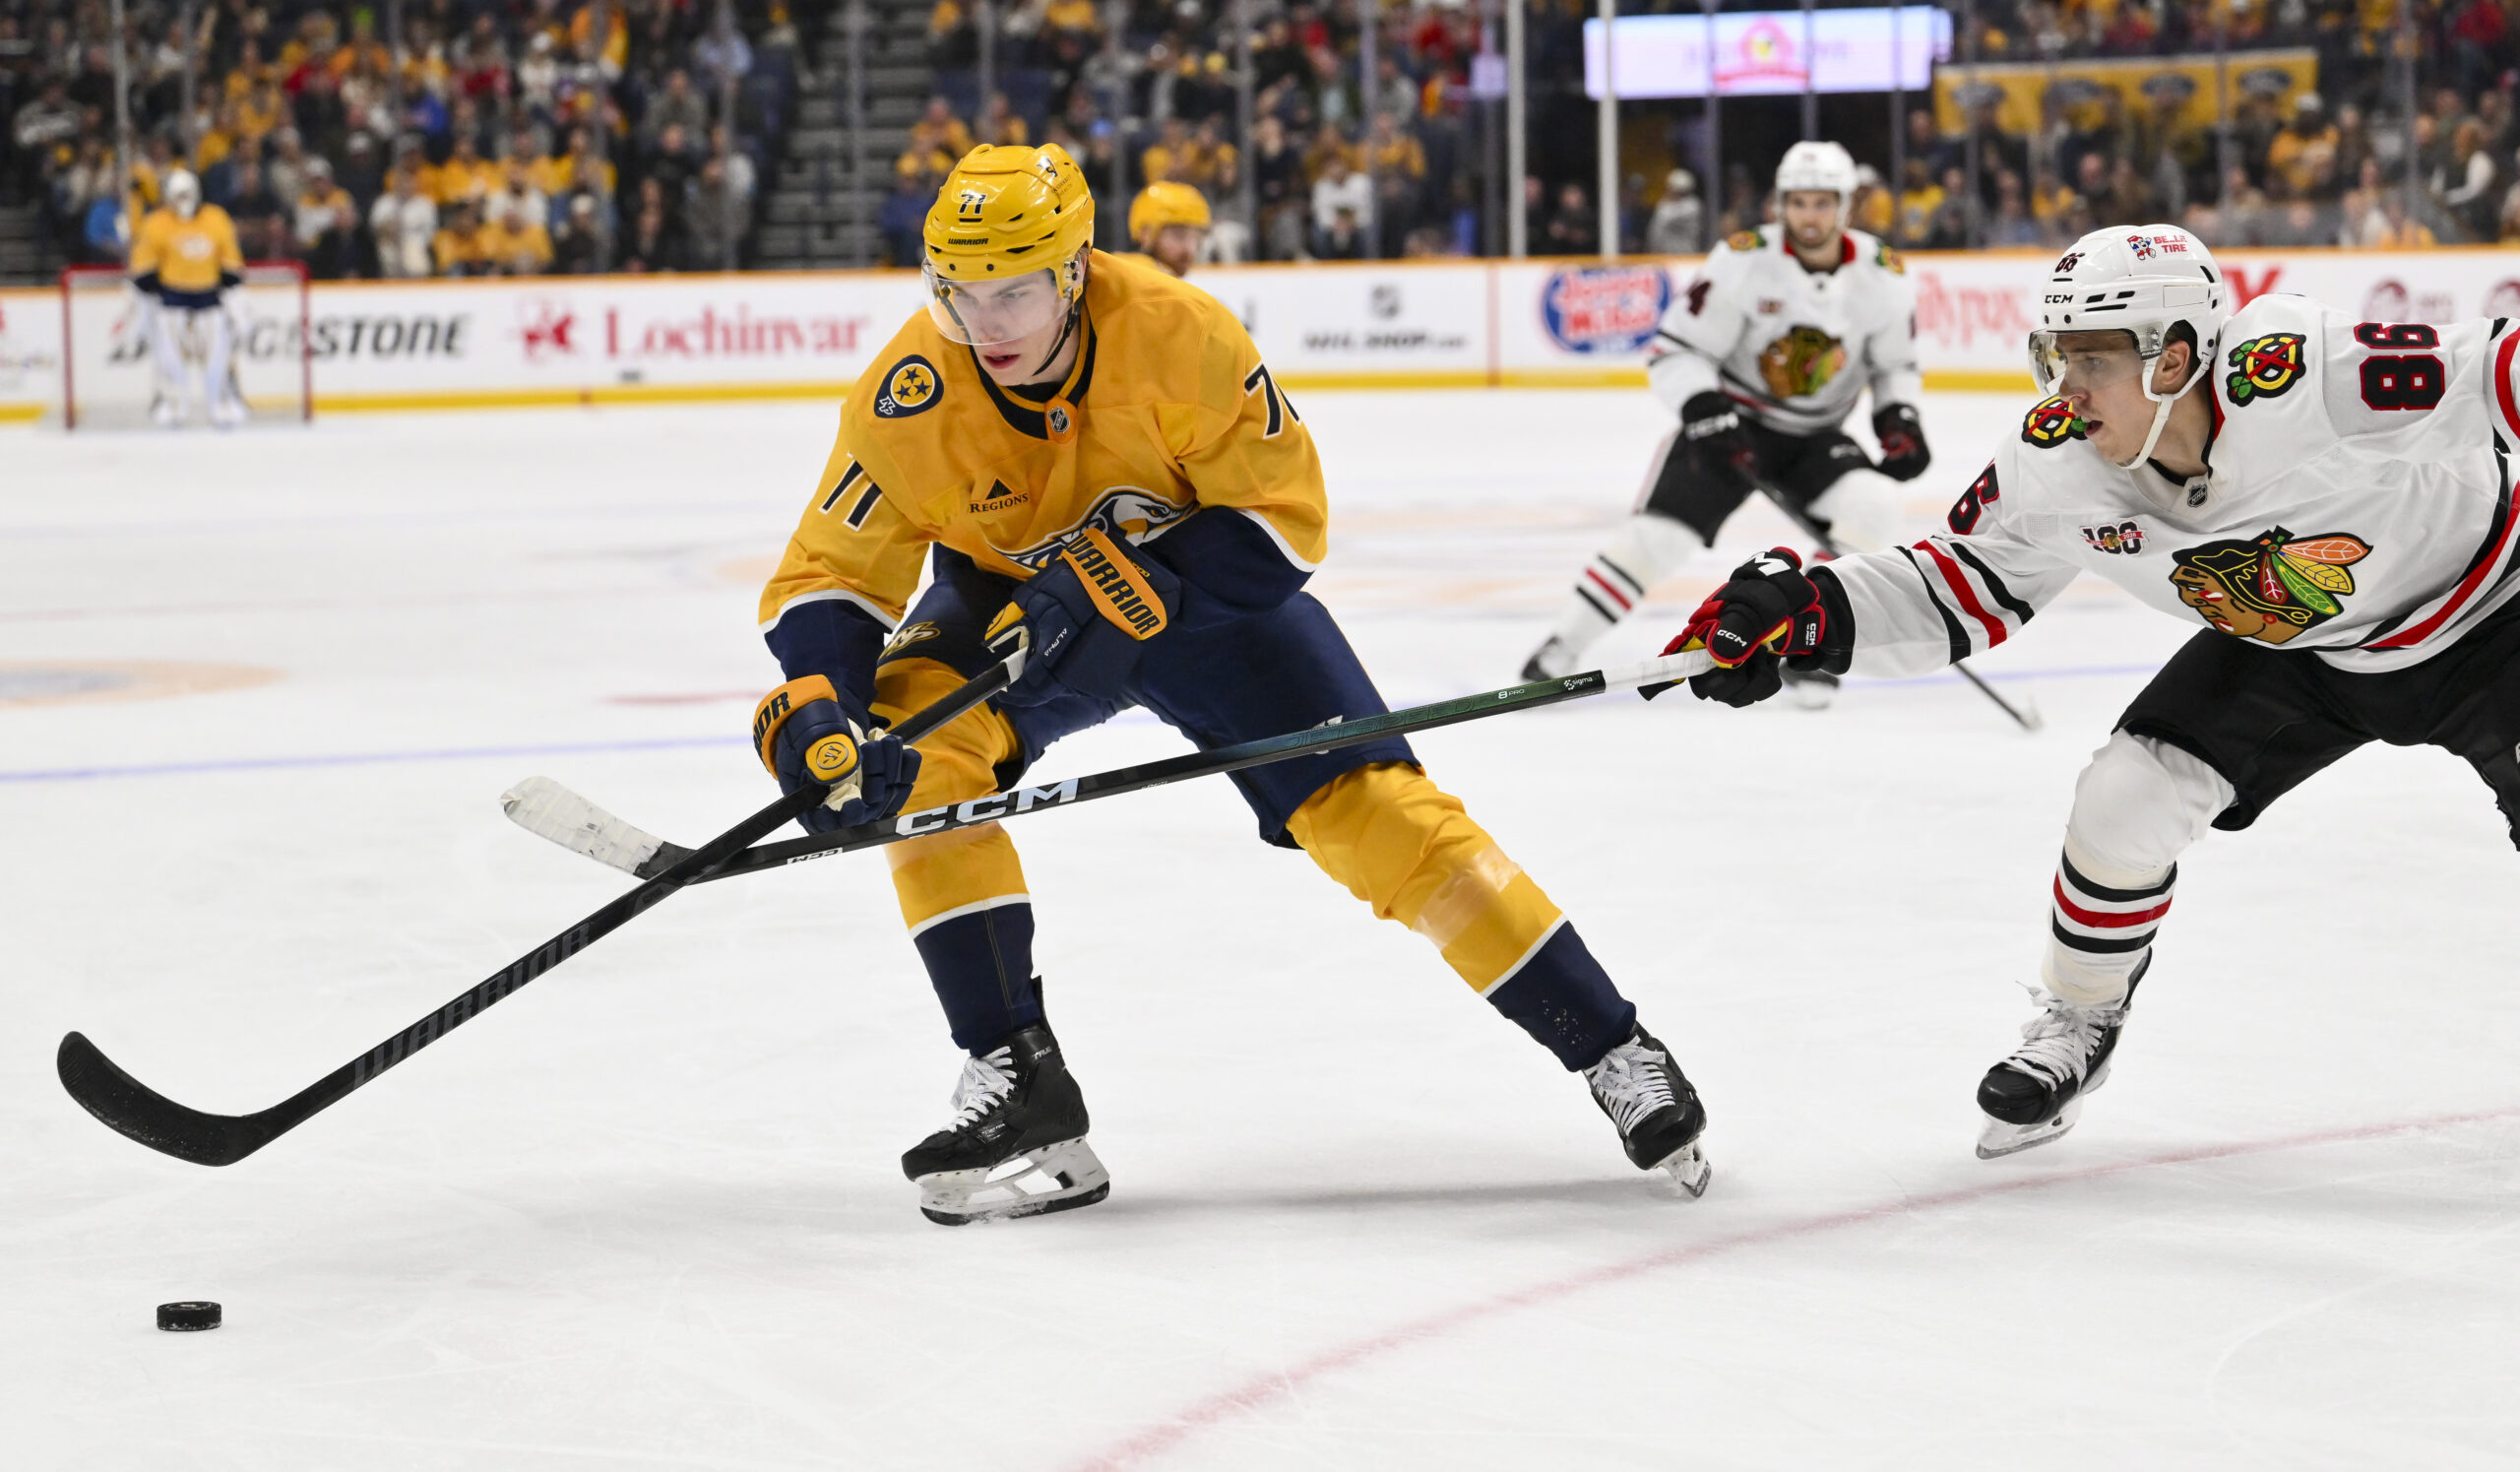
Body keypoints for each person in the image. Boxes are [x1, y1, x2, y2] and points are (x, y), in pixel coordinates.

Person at [752, 144, 1708, 1223]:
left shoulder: (1177, 330)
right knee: (916, 765)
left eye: (1015, 290)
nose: (989, 322)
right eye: (961, 294)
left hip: (1209, 610)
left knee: (1381, 817)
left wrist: (1134, 584)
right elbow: (828, 575)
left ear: (1072, 269)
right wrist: (822, 703)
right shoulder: (908, 392)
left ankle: (1614, 1048)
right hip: (1019, 610)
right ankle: (1018, 1077)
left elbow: (1283, 525)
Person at [1671, 223, 2520, 1158]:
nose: (2066, 391)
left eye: (2095, 360)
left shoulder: (2303, 373)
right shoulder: (2055, 456)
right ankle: (2081, 1022)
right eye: (2057, 356)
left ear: (2180, 357)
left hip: (2495, 613)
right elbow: (1966, 585)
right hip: (2298, 645)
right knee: (2122, 799)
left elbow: (2497, 370)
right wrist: (1811, 611)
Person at [1523, 141, 1927, 709]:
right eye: (1798, 202)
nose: (1809, 216)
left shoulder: (1884, 273)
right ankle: (1562, 646)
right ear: (1779, 204)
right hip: (1733, 424)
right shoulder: (1741, 261)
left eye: (1822, 203)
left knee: (1876, 505)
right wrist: (1703, 408)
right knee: (1655, 540)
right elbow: (1676, 349)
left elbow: (1896, 365)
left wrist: (1899, 416)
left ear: (1846, 206)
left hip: (1815, 437)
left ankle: (1807, 649)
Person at [128, 168, 246, 428]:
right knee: (170, 360)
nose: (184, 200)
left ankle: (222, 403)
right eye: (178, 195)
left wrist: (236, 306)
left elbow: (231, 267)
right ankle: (172, 404)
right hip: (172, 303)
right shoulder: (156, 223)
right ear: (169, 197)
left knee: (218, 359)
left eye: (187, 194)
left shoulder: (216, 219)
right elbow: (144, 272)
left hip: (209, 301)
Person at [1125, 178, 1211, 278]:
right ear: (1145, 233)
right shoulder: (1131, 276)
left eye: (1196, 236)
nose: (1190, 248)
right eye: (1178, 235)